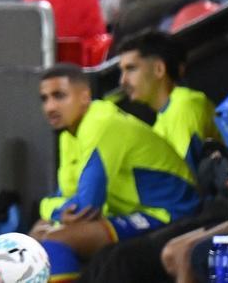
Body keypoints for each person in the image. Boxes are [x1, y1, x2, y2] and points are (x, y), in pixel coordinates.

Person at [33, 64, 201, 281]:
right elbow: (62, 196)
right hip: (126, 211)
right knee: (35, 235)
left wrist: (53, 210)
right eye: (44, 99)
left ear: (85, 96)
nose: (50, 107)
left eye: (59, 96)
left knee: (57, 239)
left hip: (168, 210)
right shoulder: (68, 135)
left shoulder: (102, 124)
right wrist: (53, 210)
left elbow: (85, 207)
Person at [115, 30, 217, 173]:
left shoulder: (184, 105)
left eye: (131, 69)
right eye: (122, 71)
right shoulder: (160, 123)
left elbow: (185, 180)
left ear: (159, 69)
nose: (123, 80)